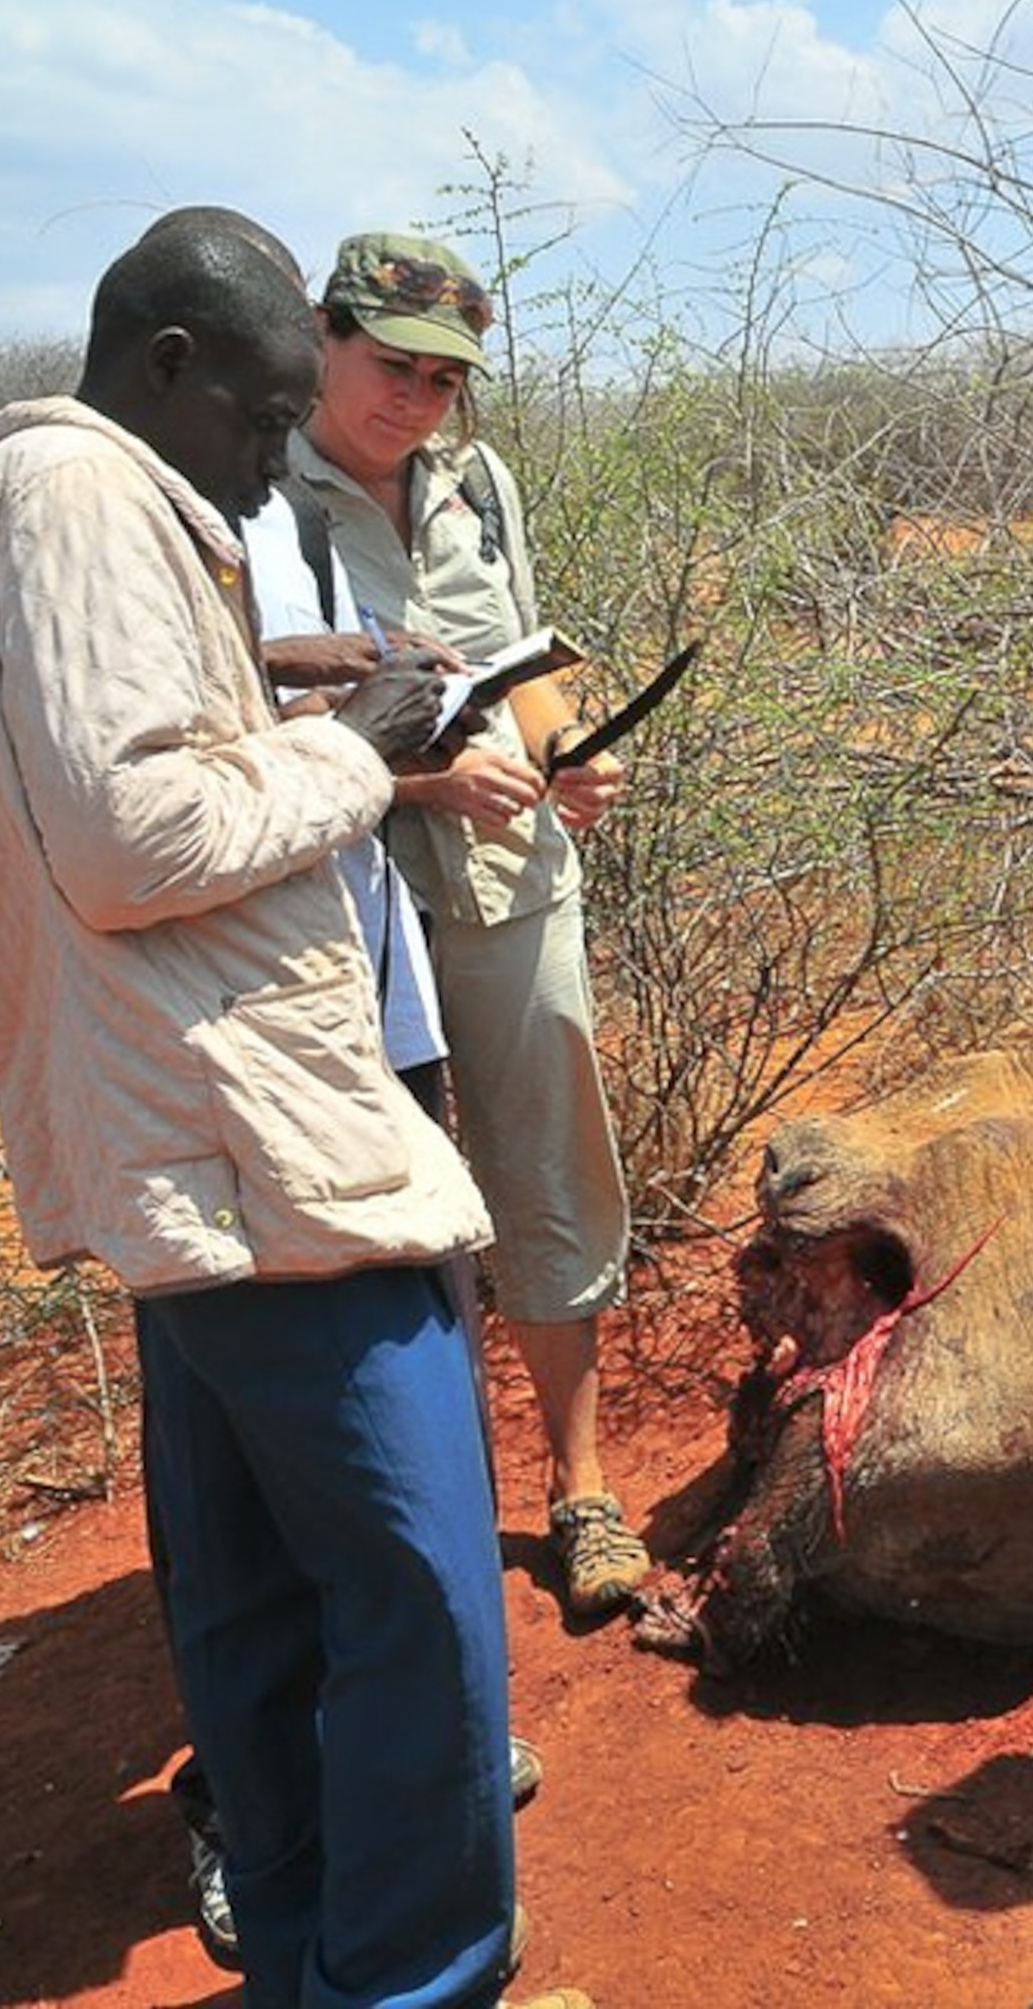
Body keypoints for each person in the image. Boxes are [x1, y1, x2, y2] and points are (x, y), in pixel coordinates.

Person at [0, 221, 585, 2008]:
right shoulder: (78, 501)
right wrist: (366, 740)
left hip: (186, 1148)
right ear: (174, 368)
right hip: (257, 1149)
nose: (265, 459)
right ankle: (414, 1979)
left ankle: (307, 1961)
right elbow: (135, 838)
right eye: (263, 411)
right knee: (424, 1593)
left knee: (254, 1599)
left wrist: (285, 687)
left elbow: (110, 772)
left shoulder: (34, 497)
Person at [287, 230, 651, 1620]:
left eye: (448, 380)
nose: (421, 403)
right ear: (324, 335)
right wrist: (423, 775)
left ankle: (582, 1488)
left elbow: (528, 654)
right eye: (396, 367)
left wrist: (567, 752)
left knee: (548, 1157)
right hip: (344, 893)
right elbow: (248, 716)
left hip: (511, 874)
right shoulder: (258, 486)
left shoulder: (476, 482)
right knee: (371, 1202)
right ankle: (405, 1517)